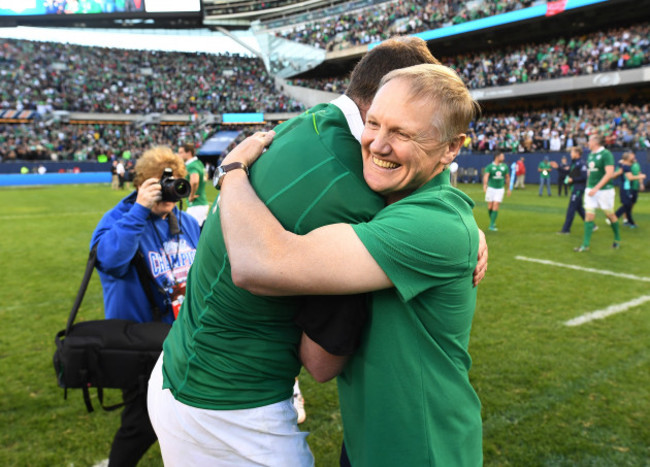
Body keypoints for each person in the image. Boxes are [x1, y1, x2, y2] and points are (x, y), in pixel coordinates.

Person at [148, 39, 487, 466]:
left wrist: (232, 172)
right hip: (227, 407)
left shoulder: (308, 127)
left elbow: (435, 224)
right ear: (371, 103)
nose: (379, 143)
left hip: (417, 446)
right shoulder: (358, 192)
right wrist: (231, 173)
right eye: (378, 124)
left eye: (403, 130)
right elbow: (267, 277)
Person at [91, 146, 201, 467]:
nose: (169, 190)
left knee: (193, 417)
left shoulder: (186, 222)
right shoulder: (117, 220)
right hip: (141, 344)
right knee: (140, 422)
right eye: (160, 183)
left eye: (175, 183)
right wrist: (140, 209)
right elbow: (109, 260)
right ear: (141, 183)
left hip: (184, 339)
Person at [574, 133, 621, 252]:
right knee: (589, 215)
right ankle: (585, 245)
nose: (588, 143)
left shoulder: (606, 154)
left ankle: (617, 239)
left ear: (595, 143)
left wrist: (597, 188)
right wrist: (589, 186)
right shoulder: (590, 155)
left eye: (589, 141)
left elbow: (609, 174)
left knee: (609, 215)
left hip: (605, 190)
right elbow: (590, 172)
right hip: (591, 189)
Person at [558, 146, 590, 234]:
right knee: (579, 208)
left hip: (578, 188)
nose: (570, 154)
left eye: (572, 152)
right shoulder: (574, 163)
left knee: (571, 209)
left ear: (577, 153)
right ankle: (592, 225)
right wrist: (558, 167)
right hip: (575, 188)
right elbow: (568, 172)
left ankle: (566, 229)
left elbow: (584, 177)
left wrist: (573, 180)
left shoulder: (581, 163)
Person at [178, 142, 209, 227]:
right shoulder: (198, 162)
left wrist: (191, 195)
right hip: (201, 203)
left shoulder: (191, 165)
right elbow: (206, 175)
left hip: (196, 205)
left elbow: (195, 180)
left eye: (181, 152)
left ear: (188, 153)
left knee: (190, 230)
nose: (179, 155)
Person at [614, 151, 646, 228]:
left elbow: (638, 172)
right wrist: (641, 176)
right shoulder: (624, 166)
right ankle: (616, 218)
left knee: (629, 204)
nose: (633, 157)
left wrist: (641, 183)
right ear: (628, 158)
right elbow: (629, 177)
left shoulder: (631, 164)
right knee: (627, 204)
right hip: (627, 188)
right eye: (631, 156)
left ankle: (629, 221)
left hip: (632, 187)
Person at [483, 152, 511, 231]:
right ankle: (492, 220)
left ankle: (491, 225)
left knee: (496, 204)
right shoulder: (490, 166)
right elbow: (486, 176)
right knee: (490, 206)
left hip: (500, 189)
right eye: (502, 156)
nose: (503, 157)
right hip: (491, 188)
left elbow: (507, 178)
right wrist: (485, 185)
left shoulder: (504, 167)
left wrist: (509, 188)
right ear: (497, 157)